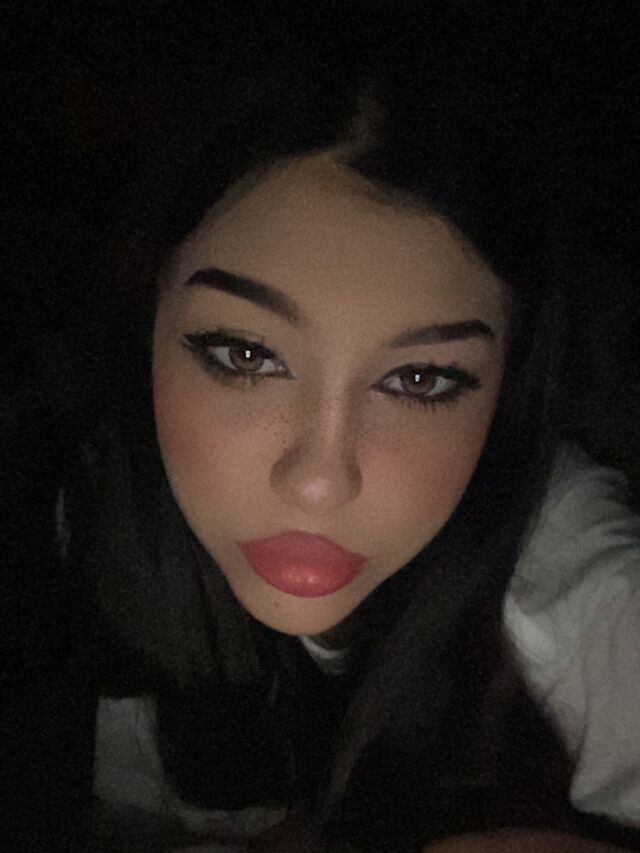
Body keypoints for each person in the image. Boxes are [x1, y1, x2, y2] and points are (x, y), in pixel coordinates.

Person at [6, 7, 640, 853]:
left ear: (507, 384)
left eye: (421, 378)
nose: (318, 479)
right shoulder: (82, 516)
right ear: (148, 321)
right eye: (244, 353)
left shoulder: (583, 593)